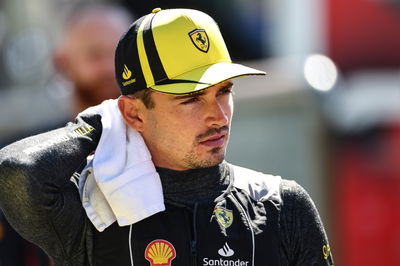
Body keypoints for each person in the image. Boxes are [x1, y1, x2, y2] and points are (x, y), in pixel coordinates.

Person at [0, 8, 334, 266]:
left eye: (224, 92)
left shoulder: (283, 204)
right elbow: (16, 173)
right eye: (190, 99)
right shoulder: (93, 210)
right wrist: (99, 124)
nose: (218, 117)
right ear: (133, 113)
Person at [0, 3, 132, 266]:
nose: (110, 68)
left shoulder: (167, 150)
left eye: (120, 56)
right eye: (95, 55)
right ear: (62, 63)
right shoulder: (27, 162)